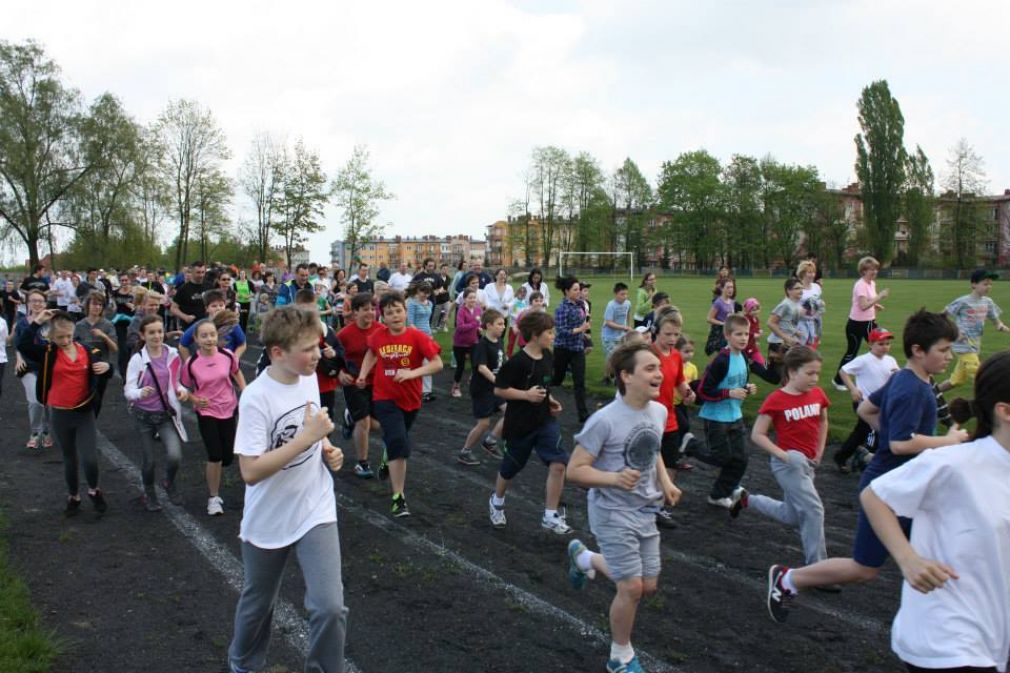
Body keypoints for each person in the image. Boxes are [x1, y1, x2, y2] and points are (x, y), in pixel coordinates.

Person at [766, 309, 967, 623]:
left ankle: (945, 617)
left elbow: (867, 409)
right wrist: (948, 441)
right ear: (918, 350)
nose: (949, 357)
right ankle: (788, 579)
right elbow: (901, 443)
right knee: (865, 567)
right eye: (943, 350)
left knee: (932, 552)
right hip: (888, 489)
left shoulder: (905, 377)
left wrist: (889, 435)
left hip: (906, 484)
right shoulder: (912, 387)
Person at [860, 351, 1010, 673]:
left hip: (994, 635)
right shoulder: (956, 463)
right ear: (1005, 411)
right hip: (948, 637)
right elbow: (875, 496)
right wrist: (908, 559)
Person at [227, 305, 347, 673]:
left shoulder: (307, 374)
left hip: (315, 505)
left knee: (329, 607)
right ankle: (243, 664)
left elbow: (308, 425)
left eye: (318, 345)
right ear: (278, 353)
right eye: (308, 349)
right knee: (258, 603)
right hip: (269, 514)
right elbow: (250, 471)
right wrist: (307, 439)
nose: (318, 355)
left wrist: (326, 447)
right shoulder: (256, 398)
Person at [565, 341, 682, 673]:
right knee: (630, 587)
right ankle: (619, 656)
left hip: (646, 510)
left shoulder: (658, 411)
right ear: (626, 376)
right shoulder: (605, 420)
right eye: (650, 368)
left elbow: (653, 449)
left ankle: (583, 557)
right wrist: (614, 479)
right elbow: (575, 470)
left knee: (647, 586)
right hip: (612, 512)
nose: (659, 373)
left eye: (658, 367)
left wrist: (666, 482)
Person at [741, 346, 831, 567]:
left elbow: (822, 421)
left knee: (791, 515)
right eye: (809, 373)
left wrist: (819, 452)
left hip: (808, 463)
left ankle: (746, 499)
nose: (815, 378)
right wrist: (783, 455)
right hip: (789, 462)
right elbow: (757, 434)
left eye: (817, 373)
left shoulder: (818, 394)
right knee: (814, 510)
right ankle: (818, 568)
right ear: (791, 372)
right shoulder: (777, 399)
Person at [356, 292, 443, 517]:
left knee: (397, 440)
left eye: (398, 311)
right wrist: (363, 374)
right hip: (384, 397)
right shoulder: (378, 336)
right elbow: (371, 354)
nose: (394, 316)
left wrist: (413, 373)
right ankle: (398, 497)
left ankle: (387, 456)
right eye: (389, 313)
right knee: (400, 444)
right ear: (382, 317)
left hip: (411, 399)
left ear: (405, 311)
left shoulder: (417, 337)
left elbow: (437, 364)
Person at [16, 309, 111, 515]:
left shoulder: (85, 350)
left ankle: (94, 491)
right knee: (70, 458)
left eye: (68, 335)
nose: (65, 340)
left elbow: (103, 370)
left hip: (83, 413)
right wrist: (38, 321)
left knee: (90, 458)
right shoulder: (48, 352)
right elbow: (22, 345)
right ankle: (73, 496)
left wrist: (107, 367)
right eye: (59, 337)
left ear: (73, 331)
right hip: (59, 413)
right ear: (51, 336)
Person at [488, 310, 572, 534]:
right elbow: (499, 390)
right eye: (549, 332)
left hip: (545, 421)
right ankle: (496, 501)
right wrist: (526, 395)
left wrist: (550, 400)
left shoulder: (548, 356)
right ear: (535, 334)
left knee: (559, 463)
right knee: (510, 468)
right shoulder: (517, 362)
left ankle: (550, 515)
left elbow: (544, 385)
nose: (553, 336)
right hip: (520, 424)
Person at [180, 319, 245, 516]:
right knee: (214, 455)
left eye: (212, 335)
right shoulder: (191, 363)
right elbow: (183, 386)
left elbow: (237, 373)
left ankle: (220, 470)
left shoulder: (227, 355)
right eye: (204, 336)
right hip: (207, 411)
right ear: (196, 339)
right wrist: (193, 398)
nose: (209, 339)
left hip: (228, 407)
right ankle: (214, 498)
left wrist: (247, 393)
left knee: (227, 456)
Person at [124, 315, 188, 511]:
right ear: (143, 335)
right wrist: (139, 393)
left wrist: (182, 391)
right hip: (144, 416)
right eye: (151, 332)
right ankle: (149, 492)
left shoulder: (173, 354)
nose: (157, 336)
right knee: (149, 461)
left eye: (160, 331)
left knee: (175, 455)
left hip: (165, 415)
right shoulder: (137, 359)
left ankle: (169, 482)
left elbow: (177, 381)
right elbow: (128, 390)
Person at [693, 314, 756, 512]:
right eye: (739, 334)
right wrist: (729, 393)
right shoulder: (721, 360)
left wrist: (747, 387)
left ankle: (719, 494)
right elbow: (703, 391)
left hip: (735, 415)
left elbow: (735, 383)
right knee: (721, 457)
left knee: (741, 458)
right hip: (716, 417)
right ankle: (689, 445)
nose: (744, 338)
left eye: (746, 334)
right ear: (727, 335)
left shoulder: (743, 357)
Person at [650, 307, 697, 529]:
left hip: (669, 418)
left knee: (671, 464)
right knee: (646, 465)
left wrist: (688, 392)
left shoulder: (676, 356)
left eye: (676, 334)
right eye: (667, 333)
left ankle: (657, 508)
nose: (672, 339)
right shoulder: (649, 355)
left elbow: (679, 381)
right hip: (647, 420)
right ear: (656, 331)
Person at [833, 327, 900, 473]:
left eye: (888, 344)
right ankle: (866, 458)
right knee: (872, 431)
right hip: (864, 403)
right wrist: (853, 389)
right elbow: (843, 371)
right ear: (870, 344)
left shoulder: (891, 360)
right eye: (880, 344)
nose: (885, 347)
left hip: (881, 404)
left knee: (861, 432)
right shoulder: (864, 360)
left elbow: (895, 377)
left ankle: (843, 456)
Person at [938, 268, 1009, 393]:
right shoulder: (963, 301)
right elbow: (942, 316)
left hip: (975, 344)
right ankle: (997, 396)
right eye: (985, 284)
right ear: (973, 284)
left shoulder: (988, 302)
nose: (989, 287)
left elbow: (994, 317)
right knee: (979, 373)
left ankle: (932, 392)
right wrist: (955, 332)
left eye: (990, 284)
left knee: (956, 381)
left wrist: (999, 325)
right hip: (962, 345)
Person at [337, 293, 383, 478]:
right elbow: (333, 359)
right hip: (354, 382)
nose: (370, 313)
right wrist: (340, 373)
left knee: (377, 424)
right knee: (363, 422)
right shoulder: (345, 334)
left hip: (377, 382)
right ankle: (362, 463)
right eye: (365, 309)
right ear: (355, 312)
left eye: (372, 309)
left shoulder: (381, 330)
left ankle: (349, 417)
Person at [457, 308, 507, 466]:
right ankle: (465, 451)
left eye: (504, 323)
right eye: (499, 324)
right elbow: (482, 368)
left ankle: (491, 441)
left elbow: (501, 363)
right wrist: (497, 381)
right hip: (482, 389)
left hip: (495, 388)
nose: (503, 326)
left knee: (511, 412)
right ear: (488, 325)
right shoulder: (481, 345)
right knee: (484, 423)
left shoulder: (499, 342)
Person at [833, 256, 889, 390]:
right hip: (856, 325)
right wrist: (879, 297)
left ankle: (879, 376)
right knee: (852, 352)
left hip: (870, 322)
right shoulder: (860, 285)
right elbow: (863, 305)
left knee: (878, 347)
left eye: (876, 269)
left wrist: (877, 305)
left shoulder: (871, 283)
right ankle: (838, 380)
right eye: (871, 269)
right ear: (863, 270)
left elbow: (869, 301)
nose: (875, 272)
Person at [14, 289, 52, 449]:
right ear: (27, 303)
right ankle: (36, 431)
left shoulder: (51, 322)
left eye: (40, 301)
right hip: (28, 365)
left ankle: (47, 431)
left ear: (45, 304)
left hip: (48, 365)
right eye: (33, 301)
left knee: (50, 402)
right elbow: (18, 345)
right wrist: (19, 358)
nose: (37, 304)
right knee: (36, 401)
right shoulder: (22, 323)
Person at [552, 276, 591, 423]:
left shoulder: (581, 304)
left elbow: (584, 320)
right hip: (562, 349)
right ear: (566, 291)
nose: (578, 292)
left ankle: (583, 414)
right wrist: (580, 329)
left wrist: (584, 333)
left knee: (579, 382)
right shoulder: (561, 308)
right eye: (575, 289)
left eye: (579, 289)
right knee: (556, 379)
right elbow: (561, 331)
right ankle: (538, 388)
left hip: (577, 348)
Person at [73, 291, 118, 417]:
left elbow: (114, 348)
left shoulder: (107, 325)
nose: (97, 307)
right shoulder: (79, 325)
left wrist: (104, 336)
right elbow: (72, 347)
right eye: (94, 304)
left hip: (101, 368)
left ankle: (92, 422)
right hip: (83, 368)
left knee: (97, 399)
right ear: (87, 305)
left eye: (100, 305)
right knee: (82, 398)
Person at [177, 290, 247, 362]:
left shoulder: (231, 324)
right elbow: (182, 345)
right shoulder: (201, 325)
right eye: (214, 306)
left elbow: (242, 344)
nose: (218, 308)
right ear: (207, 309)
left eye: (221, 305)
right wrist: (189, 364)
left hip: (226, 366)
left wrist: (234, 359)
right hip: (206, 366)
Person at [766, 277, 804, 377]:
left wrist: (795, 332)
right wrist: (786, 337)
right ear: (788, 290)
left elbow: (788, 323)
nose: (801, 290)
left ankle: (766, 363)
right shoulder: (785, 305)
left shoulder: (796, 304)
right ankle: (755, 364)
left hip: (789, 343)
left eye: (801, 288)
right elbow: (770, 323)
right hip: (778, 343)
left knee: (784, 375)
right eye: (797, 288)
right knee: (781, 377)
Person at [405, 281, 437, 402]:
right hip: (416, 337)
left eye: (428, 292)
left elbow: (427, 321)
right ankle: (411, 389)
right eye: (423, 292)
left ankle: (427, 391)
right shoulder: (412, 303)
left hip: (428, 335)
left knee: (428, 364)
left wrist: (430, 335)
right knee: (414, 364)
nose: (426, 295)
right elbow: (410, 323)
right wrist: (420, 336)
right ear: (417, 291)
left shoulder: (429, 303)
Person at [452, 287, 482, 398]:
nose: (473, 300)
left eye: (474, 297)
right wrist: (475, 324)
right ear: (464, 299)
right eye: (470, 298)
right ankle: (456, 387)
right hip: (460, 343)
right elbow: (460, 327)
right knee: (461, 366)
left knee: (476, 365)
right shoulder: (461, 310)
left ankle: (473, 384)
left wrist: (479, 328)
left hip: (473, 341)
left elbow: (479, 324)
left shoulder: (478, 309)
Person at [170, 260, 210, 329]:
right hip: (190, 327)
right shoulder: (183, 289)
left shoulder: (209, 286)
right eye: (198, 272)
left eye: (203, 272)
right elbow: (173, 308)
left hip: (206, 325)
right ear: (192, 272)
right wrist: (185, 317)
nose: (201, 275)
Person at [796, 260, 825, 348]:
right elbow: (793, 307)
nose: (812, 275)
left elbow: (818, 303)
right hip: (800, 322)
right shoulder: (797, 288)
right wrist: (805, 307)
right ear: (802, 273)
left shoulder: (816, 287)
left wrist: (821, 305)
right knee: (800, 349)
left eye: (813, 272)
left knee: (812, 348)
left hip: (814, 322)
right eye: (809, 272)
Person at [602, 282, 633, 366]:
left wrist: (629, 326)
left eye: (626, 294)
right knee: (611, 358)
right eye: (622, 294)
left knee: (620, 358)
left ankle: (616, 376)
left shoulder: (628, 303)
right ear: (615, 294)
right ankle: (607, 377)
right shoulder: (611, 305)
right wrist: (624, 327)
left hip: (621, 336)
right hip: (609, 337)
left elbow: (628, 314)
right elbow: (608, 322)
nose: (625, 296)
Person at [705, 278, 737, 355]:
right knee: (720, 356)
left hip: (728, 331)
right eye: (728, 287)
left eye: (732, 287)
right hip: (718, 333)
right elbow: (709, 318)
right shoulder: (718, 302)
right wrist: (722, 323)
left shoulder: (732, 302)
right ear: (722, 289)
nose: (730, 290)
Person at [507, 285, 528, 357]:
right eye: (521, 292)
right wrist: (517, 318)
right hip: (513, 325)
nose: (522, 294)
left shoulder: (524, 302)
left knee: (522, 341)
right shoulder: (514, 301)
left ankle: (522, 354)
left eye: (524, 293)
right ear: (517, 293)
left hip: (522, 326)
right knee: (511, 341)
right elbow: (510, 310)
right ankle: (508, 355)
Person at [234, 269, 254, 333]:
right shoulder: (236, 283)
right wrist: (236, 295)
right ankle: (239, 331)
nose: (242, 275)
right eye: (241, 274)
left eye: (243, 274)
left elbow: (254, 292)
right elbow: (234, 292)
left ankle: (244, 332)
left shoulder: (249, 283)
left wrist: (249, 296)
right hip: (238, 303)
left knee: (245, 317)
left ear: (245, 275)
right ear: (239, 275)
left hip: (246, 302)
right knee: (239, 317)